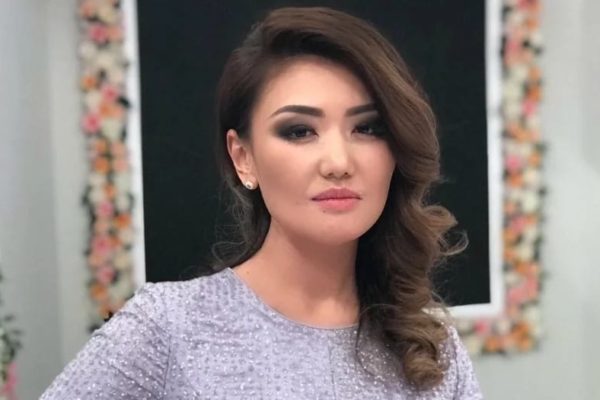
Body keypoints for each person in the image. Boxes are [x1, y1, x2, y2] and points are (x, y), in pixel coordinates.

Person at [41, 6, 483, 399]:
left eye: (367, 128)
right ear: (243, 158)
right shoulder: (167, 329)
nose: (338, 162)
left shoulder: (433, 349)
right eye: (299, 131)